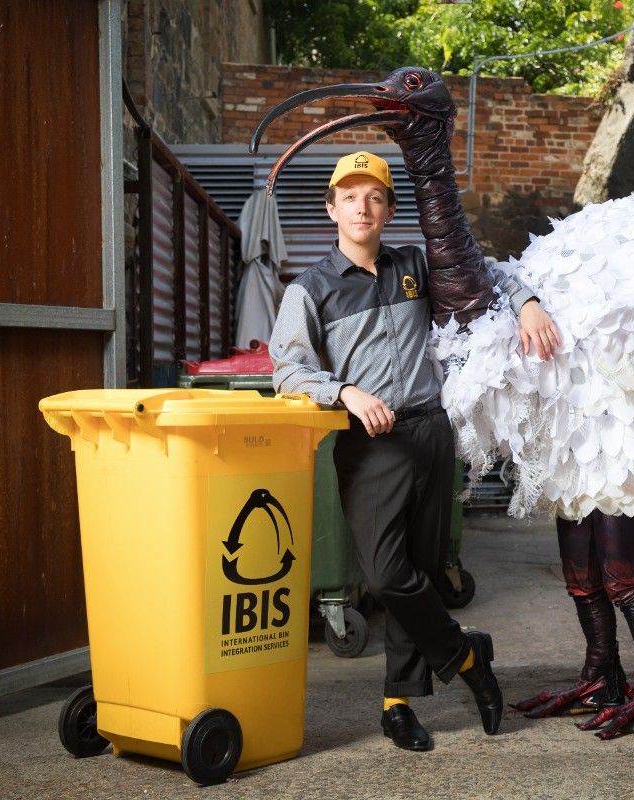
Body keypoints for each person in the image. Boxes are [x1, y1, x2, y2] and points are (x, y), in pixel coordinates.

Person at [269, 150, 561, 751]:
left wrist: (528, 302)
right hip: (368, 443)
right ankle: (465, 657)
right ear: (331, 209)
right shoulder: (311, 290)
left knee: (422, 570)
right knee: (384, 574)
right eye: (349, 196)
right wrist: (344, 390)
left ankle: (398, 703)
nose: (362, 206)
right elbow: (287, 370)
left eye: (373, 196)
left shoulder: (416, 266)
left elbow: (488, 273)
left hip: (431, 432)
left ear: (389, 209)